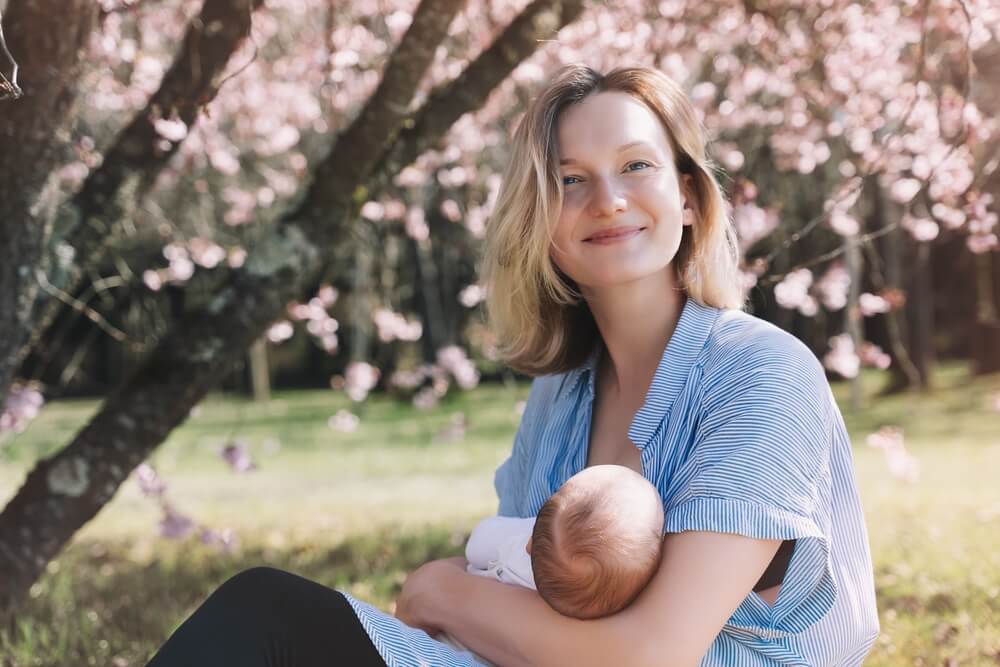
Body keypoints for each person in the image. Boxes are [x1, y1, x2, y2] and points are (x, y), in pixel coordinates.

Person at [146, 64, 880, 666]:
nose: (609, 200)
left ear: (686, 196)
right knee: (268, 614)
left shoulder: (761, 374)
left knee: (269, 611)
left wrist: (441, 590)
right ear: (541, 221)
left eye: (636, 166)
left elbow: (651, 654)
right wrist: (455, 605)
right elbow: (517, 589)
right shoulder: (563, 393)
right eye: (570, 180)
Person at [437, 465, 665, 663]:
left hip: (460, 637)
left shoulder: (522, 545)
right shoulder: (601, 608)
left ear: (530, 544)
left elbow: (475, 546)